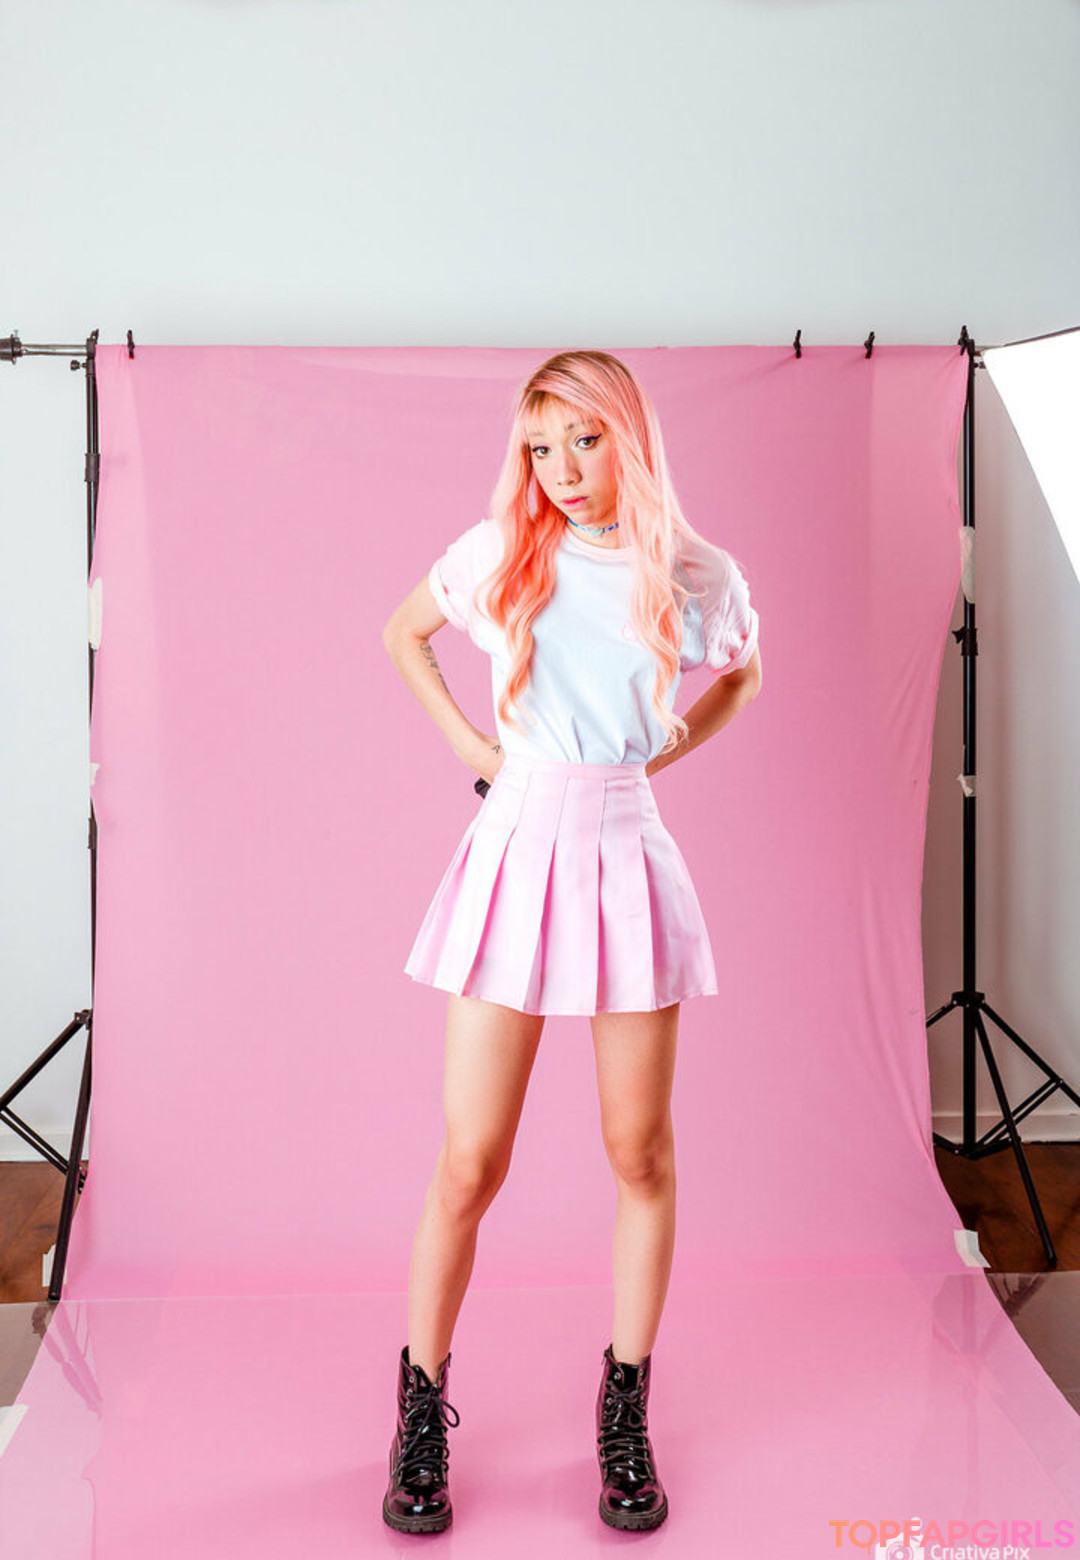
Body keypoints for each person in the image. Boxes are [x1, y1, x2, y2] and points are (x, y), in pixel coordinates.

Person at [380, 350, 762, 1534]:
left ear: (627, 437)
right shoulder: (503, 548)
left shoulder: (693, 570)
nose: (560, 469)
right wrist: (473, 749)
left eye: (582, 440)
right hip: (515, 848)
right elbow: (403, 634)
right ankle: (418, 1412)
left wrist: (666, 745)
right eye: (540, 447)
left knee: (639, 1152)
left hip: (625, 851)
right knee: (469, 1163)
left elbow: (743, 675)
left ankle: (625, 1408)